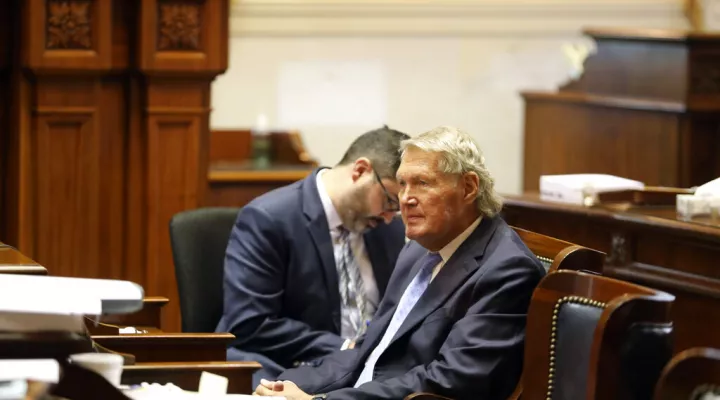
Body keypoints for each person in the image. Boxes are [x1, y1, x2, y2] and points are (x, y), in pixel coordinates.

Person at [253, 126, 546, 400]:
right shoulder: (417, 251)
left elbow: (451, 380)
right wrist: (286, 384)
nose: (405, 199)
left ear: (468, 188)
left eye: (422, 183)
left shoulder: (507, 270)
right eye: (402, 184)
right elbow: (369, 349)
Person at [216, 126, 411, 383]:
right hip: (287, 367)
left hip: (371, 372)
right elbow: (251, 325)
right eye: (390, 202)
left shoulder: (387, 228)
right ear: (361, 171)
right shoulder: (269, 219)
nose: (389, 218)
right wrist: (347, 349)